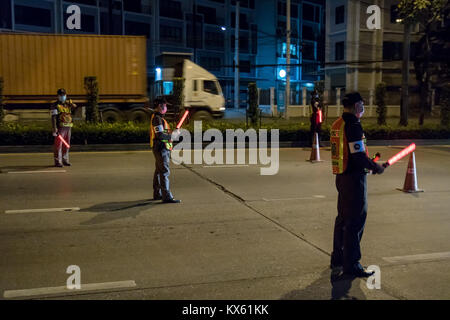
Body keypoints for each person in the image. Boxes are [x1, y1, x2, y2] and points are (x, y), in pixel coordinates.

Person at [330, 92, 385, 277]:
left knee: (343, 219)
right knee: (355, 221)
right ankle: (352, 264)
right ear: (356, 106)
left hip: (342, 177)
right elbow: (358, 155)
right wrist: (375, 167)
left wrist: (368, 162)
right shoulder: (353, 125)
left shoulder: (339, 123)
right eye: (362, 104)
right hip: (354, 180)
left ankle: (337, 258)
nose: (363, 107)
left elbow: (350, 152)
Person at [150, 98, 181, 203]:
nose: (166, 108)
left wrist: (171, 134)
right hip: (161, 148)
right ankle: (166, 196)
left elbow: (163, 133)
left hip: (159, 147)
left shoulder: (158, 118)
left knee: (159, 171)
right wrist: (172, 135)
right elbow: (160, 135)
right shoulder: (157, 119)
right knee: (164, 171)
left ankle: (157, 194)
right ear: (160, 106)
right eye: (165, 105)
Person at [50, 88, 77, 167]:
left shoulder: (68, 104)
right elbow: (53, 117)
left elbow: (73, 113)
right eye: (61, 95)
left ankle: (65, 160)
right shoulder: (55, 105)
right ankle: (58, 161)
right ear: (58, 96)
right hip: (60, 128)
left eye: (64, 95)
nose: (62, 96)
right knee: (58, 145)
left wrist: (73, 106)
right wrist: (54, 128)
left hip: (68, 127)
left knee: (66, 145)